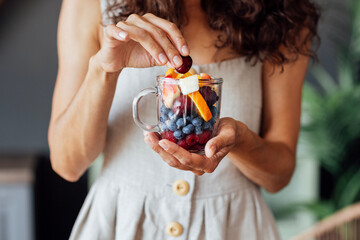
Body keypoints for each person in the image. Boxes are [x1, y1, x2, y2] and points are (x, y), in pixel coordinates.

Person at [48, 0, 320, 239]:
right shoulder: (90, 5)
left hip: (233, 227)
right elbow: (67, 164)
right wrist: (104, 70)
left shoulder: (285, 14)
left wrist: (240, 140)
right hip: (121, 225)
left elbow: (279, 175)